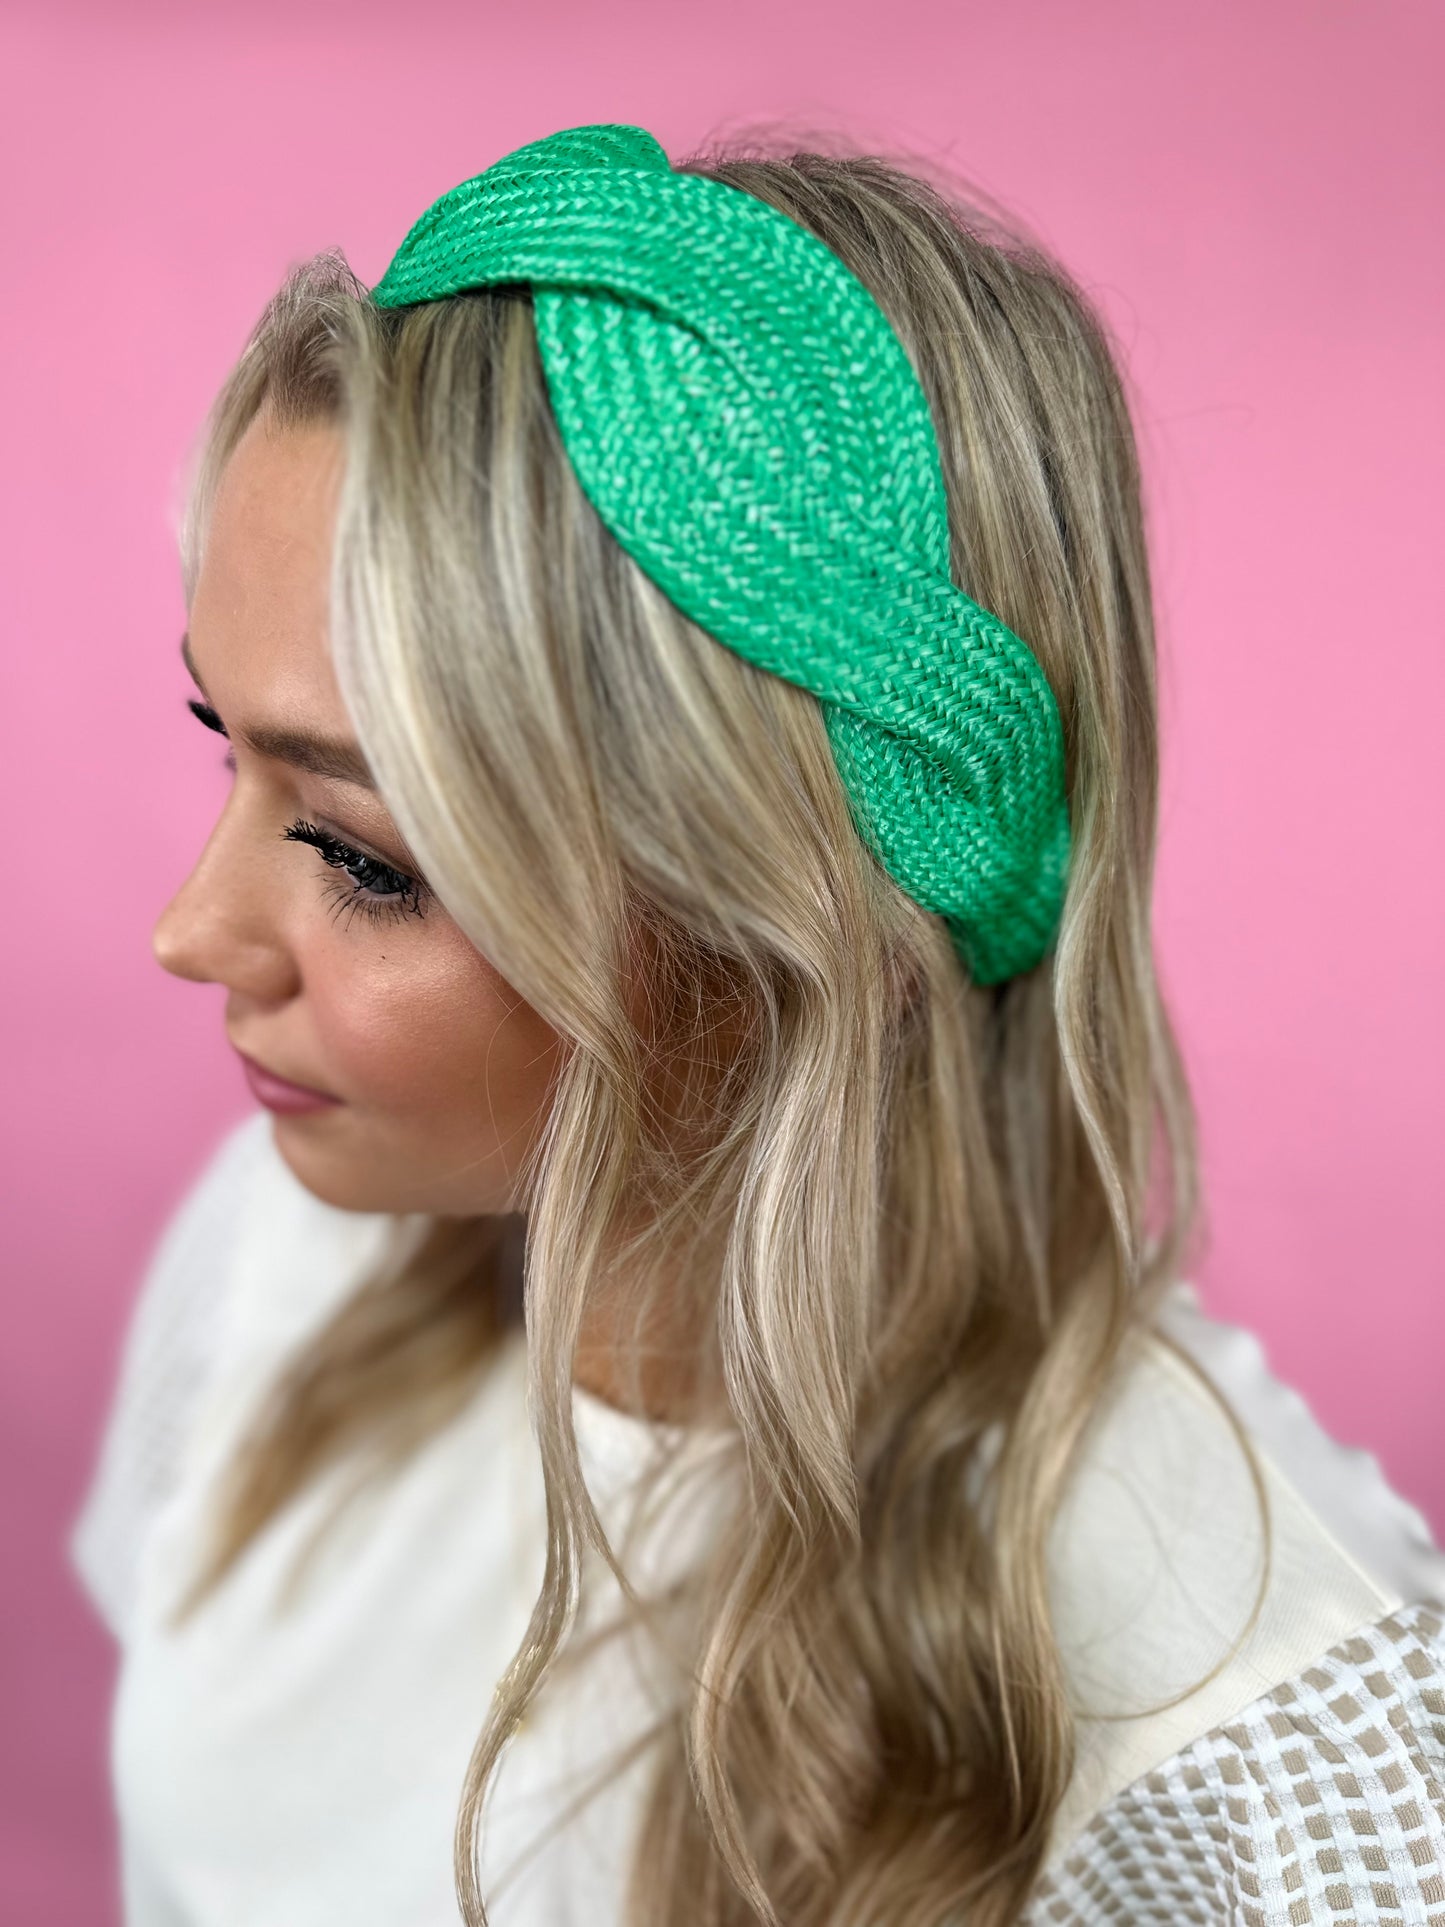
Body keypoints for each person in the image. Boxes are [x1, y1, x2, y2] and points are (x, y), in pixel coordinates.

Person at [70, 122, 1445, 1927]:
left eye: (364, 856)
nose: (191, 932)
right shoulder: (282, 1265)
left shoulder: (1248, 1733)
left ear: (777, 917)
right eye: (222, 752)